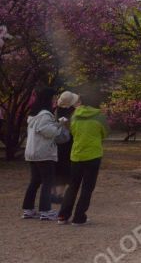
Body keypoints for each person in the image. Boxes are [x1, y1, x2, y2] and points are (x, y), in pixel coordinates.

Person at [57, 94, 108, 225]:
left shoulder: (75, 115)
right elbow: (105, 133)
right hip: (93, 155)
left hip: (76, 155)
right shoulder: (100, 117)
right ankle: (79, 217)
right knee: (87, 188)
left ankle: (63, 215)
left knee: (73, 186)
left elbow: (72, 132)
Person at [22, 88, 69, 220]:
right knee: (48, 182)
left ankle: (28, 209)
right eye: (54, 98)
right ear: (48, 99)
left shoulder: (34, 114)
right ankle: (45, 211)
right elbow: (49, 132)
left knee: (35, 181)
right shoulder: (45, 115)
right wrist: (60, 124)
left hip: (32, 152)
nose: (55, 100)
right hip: (43, 153)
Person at [52, 91, 78, 204]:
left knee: (56, 169)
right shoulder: (74, 113)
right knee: (65, 170)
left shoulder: (55, 111)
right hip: (69, 144)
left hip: (56, 145)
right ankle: (60, 194)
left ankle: (53, 193)